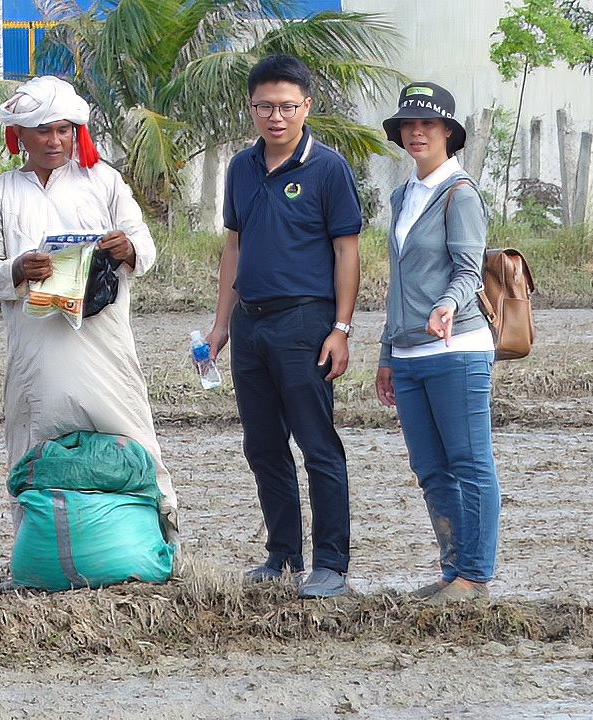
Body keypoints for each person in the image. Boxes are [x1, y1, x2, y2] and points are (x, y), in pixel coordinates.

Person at [0, 75, 178, 538]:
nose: (54, 140)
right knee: (31, 446)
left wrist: (127, 248)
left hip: (102, 342)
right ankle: (36, 546)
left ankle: (161, 539)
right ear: (19, 135)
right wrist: (19, 269)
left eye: (64, 130)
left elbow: (144, 245)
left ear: (76, 133)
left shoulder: (104, 181)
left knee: (132, 435)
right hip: (35, 350)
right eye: (43, 130)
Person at [204, 54, 362, 598]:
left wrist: (340, 327)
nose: (276, 117)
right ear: (251, 109)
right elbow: (234, 247)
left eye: (287, 107)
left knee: (318, 445)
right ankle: (283, 555)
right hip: (250, 326)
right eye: (265, 106)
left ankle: (332, 564)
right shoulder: (241, 169)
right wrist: (220, 325)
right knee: (263, 445)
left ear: (306, 107)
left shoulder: (328, 168)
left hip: (306, 323)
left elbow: (347, 251)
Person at [375, 82, 500, 604]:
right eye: (409, 124)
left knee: (470, 463)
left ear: (449, 132)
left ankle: (475, 575)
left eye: (428, 124)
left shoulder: (459, 193)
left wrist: (448, 303)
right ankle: (452, 573)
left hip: (456, 349)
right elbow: (399, 281)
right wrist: (386, 354)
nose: (417, 131)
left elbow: (470, 268)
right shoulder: (404, 195)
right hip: (408, 355)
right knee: (430, 469)